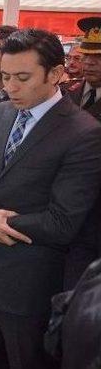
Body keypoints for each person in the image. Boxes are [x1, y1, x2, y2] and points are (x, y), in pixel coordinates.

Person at [0, 28, 101, 369]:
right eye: (6, 77)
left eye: (23, 77)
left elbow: (63, 221)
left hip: (30, 285)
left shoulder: (85, 134)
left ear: (56, 74)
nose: (11, 87)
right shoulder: (1, 112)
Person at [64, 17, 101, 289]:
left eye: (98, 57)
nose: (89, 63)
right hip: (65, 216)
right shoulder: (69, 94)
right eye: (87, 55)